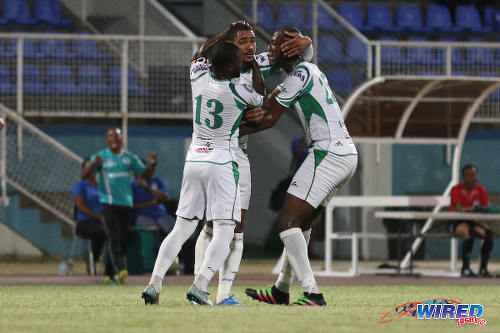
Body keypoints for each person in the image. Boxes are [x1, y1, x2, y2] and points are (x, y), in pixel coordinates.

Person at [192, 21, 313, 305]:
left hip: (239, 153)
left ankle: (223, 295)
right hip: (213, 150)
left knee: (236, 229)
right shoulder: (214, 65)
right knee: (211, 225)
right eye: (243, 41)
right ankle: (198, 287)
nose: (250, 46)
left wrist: (306, 40)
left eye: (252, 41)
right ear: (230, 45)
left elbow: (296, 57)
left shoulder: (258, 62)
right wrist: (227, 33)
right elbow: (200, 54)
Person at [242, 27, 358, 306]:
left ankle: (313, 293)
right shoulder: (306, 69)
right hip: (343, 153)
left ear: (289, 49)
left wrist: (229, 132)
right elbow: (262, 65)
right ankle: (281, 289)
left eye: (274, 44)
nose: (268, 49)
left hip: (327, 152)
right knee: (302, 223)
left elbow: (269, 119)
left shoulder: (299, 74)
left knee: (286, 221)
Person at [141, 41, 264, 306]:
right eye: (239, 61)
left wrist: (221, 38)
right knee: (224, 229)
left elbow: (199, 56)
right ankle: (200, 285)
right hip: (222, 161)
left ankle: (154, 283)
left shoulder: (197, 76)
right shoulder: (241, 90)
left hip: (194, 157)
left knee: (181, 228)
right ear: (232, 67)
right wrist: (253, 65)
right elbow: (260, 98)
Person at [81, 128, 158, 284]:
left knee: (123, 237)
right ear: (107, 140)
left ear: (121, 139)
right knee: (114, 236)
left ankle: (110, 274)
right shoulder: (100, 157)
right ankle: (121, 269)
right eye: (110, 136)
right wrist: (92, 165)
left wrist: (153, 164)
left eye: (116, 135)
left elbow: (145, 175)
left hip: (126, 204)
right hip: (108, 203)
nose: (113, 138)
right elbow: (84, 175)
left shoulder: (129, 158)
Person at [450, 164, 494, 278]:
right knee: (467, 232)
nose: (471, 178)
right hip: (459, 221)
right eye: (468, 175)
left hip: (475, 222)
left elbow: (486, 207)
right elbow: (458, 209)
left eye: (473, 175)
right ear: (463, 177)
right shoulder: (456, 189)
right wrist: (475, 208)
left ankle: (483, 269)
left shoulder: (480, 189)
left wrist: (479, 209)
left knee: (488, 235)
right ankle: (465, 268)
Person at [71, 157, 107, 273]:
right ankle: (92, 260)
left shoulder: (101, 186)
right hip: (85, 223)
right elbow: (80, 206)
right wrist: (99, 217)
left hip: (100, 222)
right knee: (102, 232)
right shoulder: (80, 185)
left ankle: (113, 266)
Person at [132, 168, 175, 238]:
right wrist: (151, 202)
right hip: (142, 216)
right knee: (154, 233)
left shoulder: (156, 180)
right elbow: (133, 205)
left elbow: (164, 198)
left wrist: (147, 187)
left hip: (160, 214)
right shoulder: (131, 185)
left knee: (175, 230)